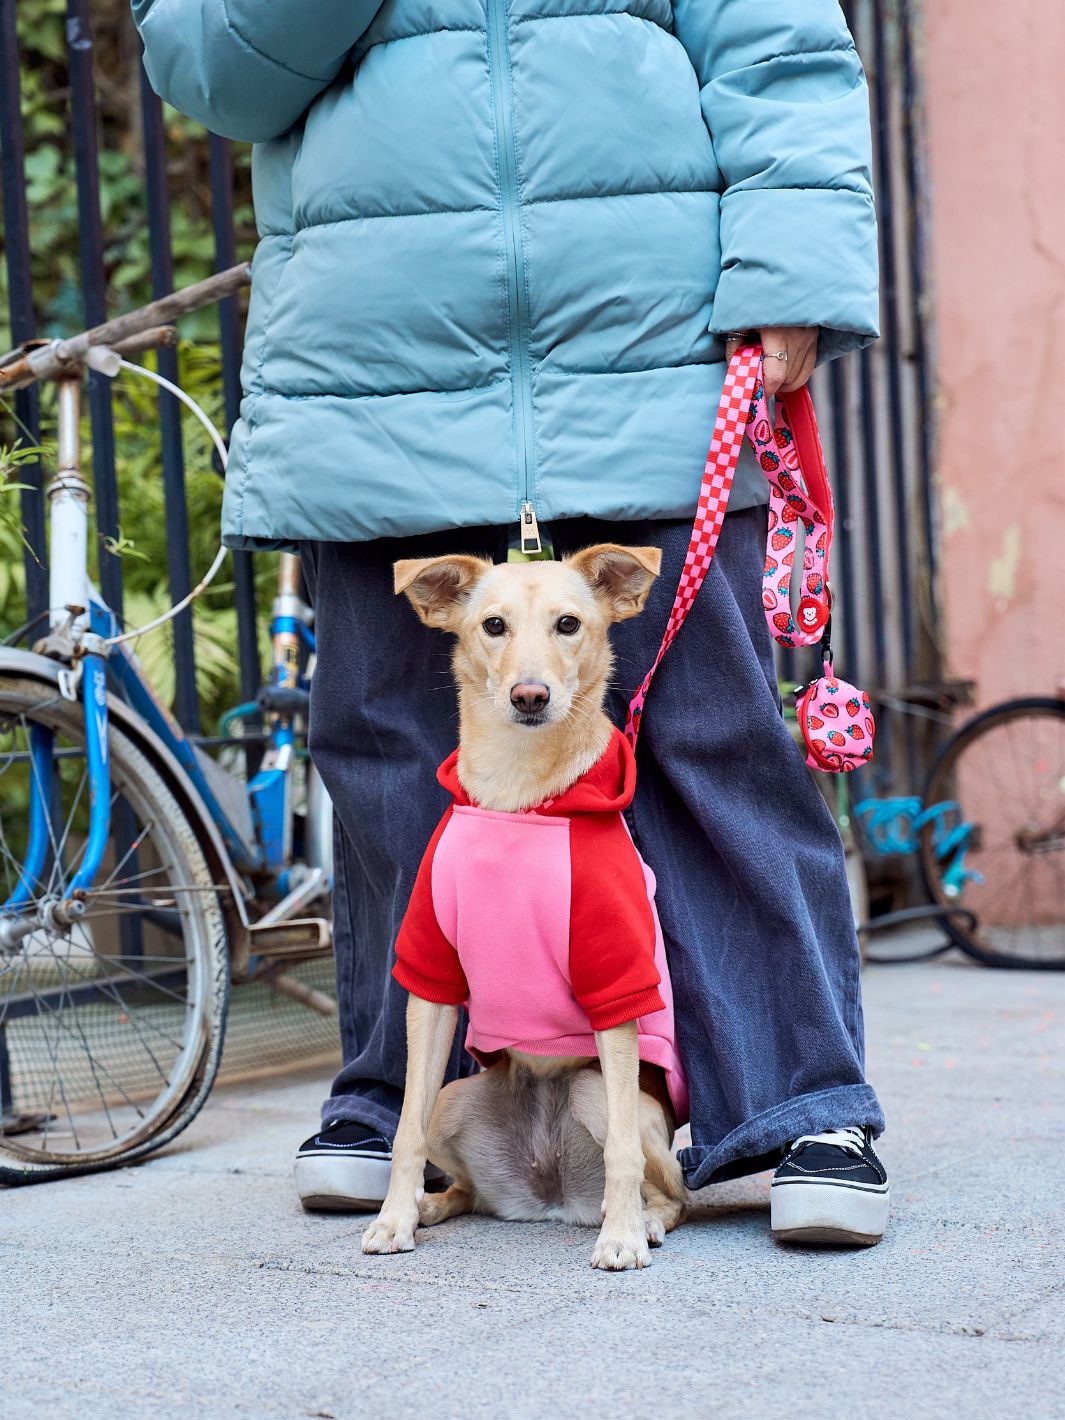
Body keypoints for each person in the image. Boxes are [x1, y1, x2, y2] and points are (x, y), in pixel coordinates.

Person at [135, 0, 890, 1244]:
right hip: (379, 375)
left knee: (714, 742)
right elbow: (211, 70)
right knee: (392, 768)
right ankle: (399, 1100)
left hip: (646, 351)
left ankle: (802, 1098)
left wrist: (791, 272)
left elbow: (778, 45)